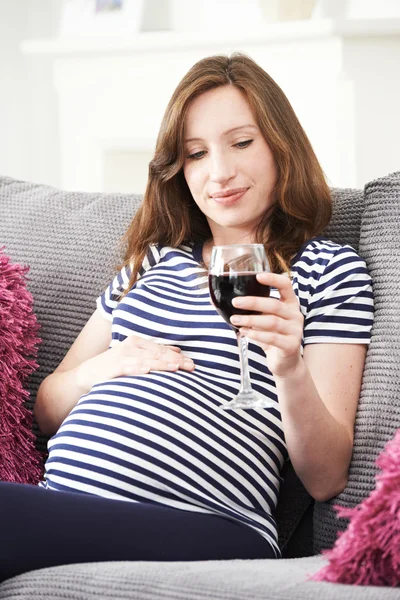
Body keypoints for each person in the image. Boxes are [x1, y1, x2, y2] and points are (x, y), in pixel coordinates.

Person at [0, 53, 374, 582]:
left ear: (280, 146)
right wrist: (103, 369)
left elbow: (327, 478)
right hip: (67, 506)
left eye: (242, 143)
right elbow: (47, 408)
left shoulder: (328, 271)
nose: (219, 172)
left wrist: (289, 366)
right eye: (196, 154)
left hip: (211, 525)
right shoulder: (154, 261)